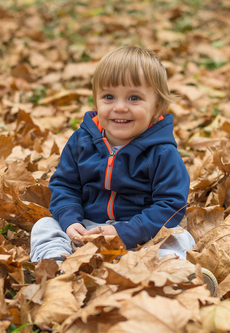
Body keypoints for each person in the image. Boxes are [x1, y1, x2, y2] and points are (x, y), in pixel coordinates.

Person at [30, 45, 195, 263]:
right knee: (44, 225)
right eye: (109, 96)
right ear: (96, 101)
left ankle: (171, 274)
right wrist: (71, 222)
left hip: (140, 235)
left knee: (180, 237)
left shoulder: (163, 152)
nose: (119, 107)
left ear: (157, 107)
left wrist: (126, 232)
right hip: (88, 228)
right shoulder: (81, 142)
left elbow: (171, 204)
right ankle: (53, 265)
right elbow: (65, 185)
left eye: (134, 98)